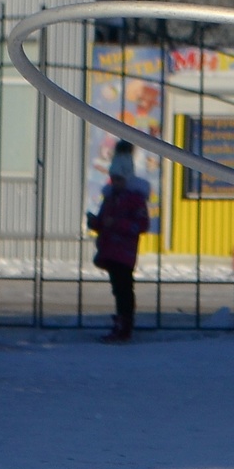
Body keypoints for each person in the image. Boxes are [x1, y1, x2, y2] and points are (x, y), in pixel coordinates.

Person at [88, 141, 151, 342]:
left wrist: (117, 223)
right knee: (118, 288)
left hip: (124, 252)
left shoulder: (134, 198)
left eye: (119, 178)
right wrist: (96, 222)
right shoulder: (111, 197)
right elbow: (104, 221)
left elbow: (141, 224)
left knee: (124, 288)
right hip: (110, 249)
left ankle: (125, 323)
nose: (115, 182)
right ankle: (121, 321)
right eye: (113, 178)